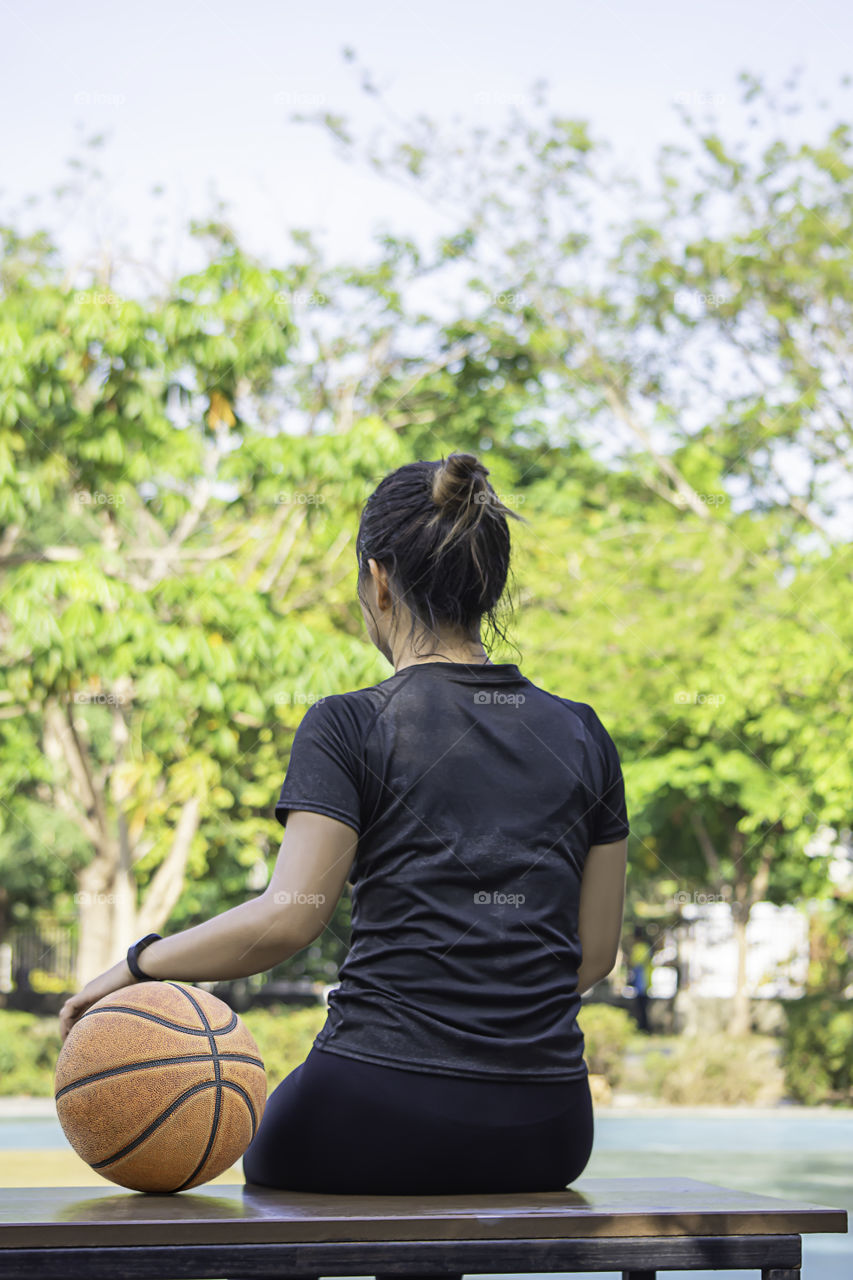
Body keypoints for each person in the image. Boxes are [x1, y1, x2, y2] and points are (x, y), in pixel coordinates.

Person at [59, 451, 630, 1207]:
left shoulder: (350, 724)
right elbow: (591, 956)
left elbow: (288, 918)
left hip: (374, 1111)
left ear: (378, 580)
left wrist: (135, 966)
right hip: (550, 1129)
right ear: (490, 583)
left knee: (252, 1140)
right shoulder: (584, 735)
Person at [627, 925, 653, 1032]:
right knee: (644, 1007)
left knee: (641, 1008)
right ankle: (644, 1027)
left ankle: (644, 1028)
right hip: (645, 982)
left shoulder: (638, 948)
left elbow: (634, 963)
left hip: (641, 982)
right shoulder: (646, 947)